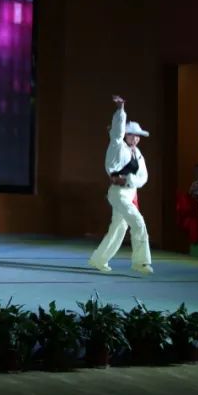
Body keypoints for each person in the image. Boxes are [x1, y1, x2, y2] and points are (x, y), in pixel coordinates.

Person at [88, 95, 153, 274]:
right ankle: (141, 262)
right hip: (118, 193)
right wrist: (120, 110)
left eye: (138, 136)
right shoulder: (118, 146)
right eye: (132, 135)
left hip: (130, 193)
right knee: (138, 222)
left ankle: (98, 259)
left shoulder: (138, 154)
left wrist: (130, 180)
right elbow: (117, 132)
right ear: (126, 134)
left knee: (119, 227)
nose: (136, 139)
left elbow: (143, 177)